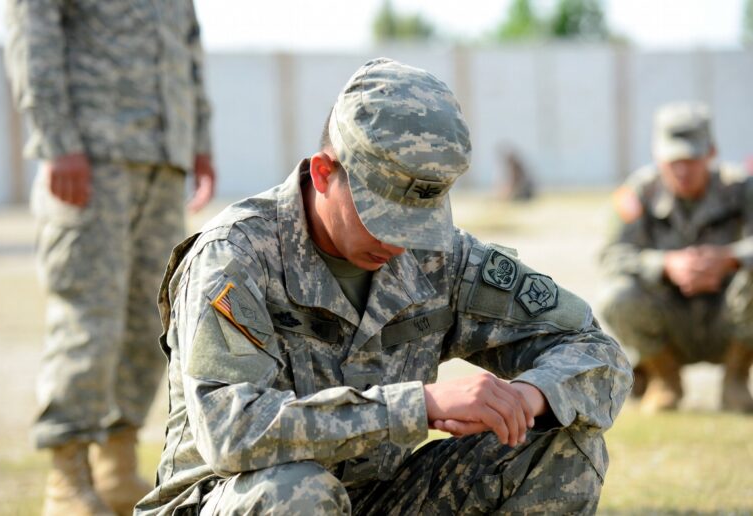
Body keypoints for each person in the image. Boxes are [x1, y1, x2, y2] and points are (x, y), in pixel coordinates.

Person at [136, 58, 631, 516]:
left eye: (419, 221)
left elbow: (596, 351)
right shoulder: (235, 256)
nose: (399, 243)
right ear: (324, 172)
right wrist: (423, 405)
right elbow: (231, 430)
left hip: (373, 497)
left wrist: (526, 397)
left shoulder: (440, 257)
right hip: (232, 497)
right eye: (383, 216)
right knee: (298, 492)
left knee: (561, 444)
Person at [4, 1, 215, 514]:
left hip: (162, 159)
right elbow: (33, 27)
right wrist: (57, 141)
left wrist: (199, 142)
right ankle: (67, 476)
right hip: (91, 159)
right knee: (88, 320)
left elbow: (187, 47)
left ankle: (115, 464)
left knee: (155, 322)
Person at [599, 101, 753, 414]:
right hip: (671, 319)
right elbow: (611, 256)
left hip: (730, 318)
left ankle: (736, 378)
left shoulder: (742, 188)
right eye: (673, 160)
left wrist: (731, 259)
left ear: (711, 153)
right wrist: (666, 265)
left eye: (691, 158)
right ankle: (663, 378)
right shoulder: (638, 193)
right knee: (616, 296)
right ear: (657, 156)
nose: (682, 170)